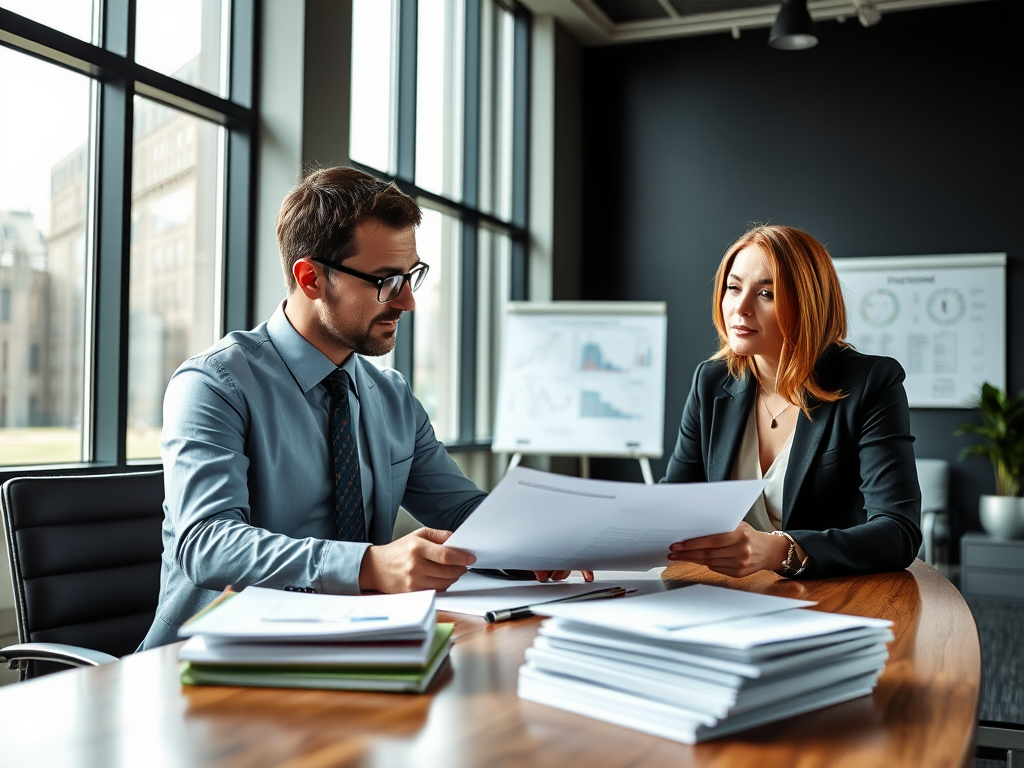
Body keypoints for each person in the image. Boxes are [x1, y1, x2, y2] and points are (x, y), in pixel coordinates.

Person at [141, 167, 571, 650]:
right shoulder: (213, 384)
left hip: (354, 648)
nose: (407, 302)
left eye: (412, 278)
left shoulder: (391, 396)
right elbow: (207, 544)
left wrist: (539, 539)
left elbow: (462, 510)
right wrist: (367, 565)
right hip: (209, 665)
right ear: (311, 278)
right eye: (387, 281)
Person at [662, 225, 922, 579]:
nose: (740, 307)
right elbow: (671, 505)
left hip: (835, 597)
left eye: (766, 293)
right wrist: (590, 548)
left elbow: (898, 531)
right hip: (727, 596)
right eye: (733, 288)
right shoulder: (711, 381)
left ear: (807, 303)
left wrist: (778, 551)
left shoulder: (871, 383)